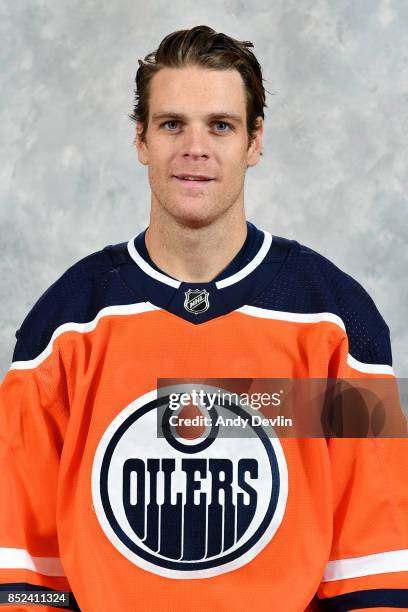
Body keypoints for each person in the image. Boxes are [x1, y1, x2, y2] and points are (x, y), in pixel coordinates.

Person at [0, 24, 407, 612]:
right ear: (140, 138)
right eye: (172, 124)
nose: (195, 147)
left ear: (255, 140)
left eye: (220, 125)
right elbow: (24, 572)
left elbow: (376, 571)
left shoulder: (336, 321)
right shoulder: (66, 324)